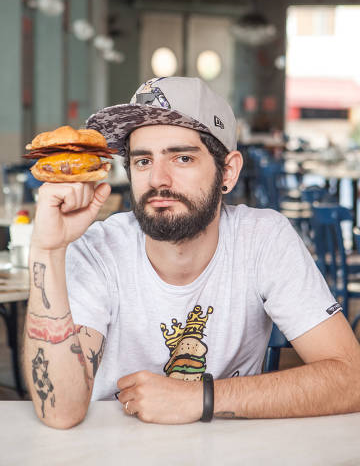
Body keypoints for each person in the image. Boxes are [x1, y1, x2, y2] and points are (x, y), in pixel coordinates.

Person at [24, 76, 360, 429]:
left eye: (182, 158)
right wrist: (47, 250)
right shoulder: (98, 248)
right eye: (142, 161)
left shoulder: (263, 239)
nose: (158, 179)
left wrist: (200, 398)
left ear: (227, 171)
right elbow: (60, 412)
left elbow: (351, 378)